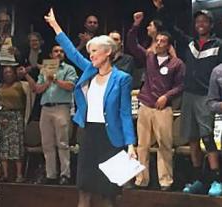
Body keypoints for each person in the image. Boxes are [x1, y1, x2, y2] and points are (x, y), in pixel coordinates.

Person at [45, 8, 136, 207]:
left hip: (111, 138)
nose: (91, 55)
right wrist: (54, 25)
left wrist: (130, 144)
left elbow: (125, 113)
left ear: (108, 52)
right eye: (90, 52)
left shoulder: (122, 79)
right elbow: (70, 51)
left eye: (95, 51)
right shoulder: (89, 71)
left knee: (107, 194)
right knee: (84, 189)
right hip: (89, 134)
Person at [154, 0, 222, 195]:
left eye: (204, 21)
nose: (200, 24)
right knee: (192, 138)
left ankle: (216, 180)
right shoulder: (190, 43)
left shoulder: (218, 45)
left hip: (207, 97)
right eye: (197, 21)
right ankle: (198, 180)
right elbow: (170, 29)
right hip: (189, 95)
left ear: (211, 24)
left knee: (207, 138)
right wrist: (161, 9)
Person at [127, 11, 185, 191]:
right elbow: (131, 44)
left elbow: (181, 86)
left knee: (165, 145)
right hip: (145, 106)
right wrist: (135, 25)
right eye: (157, 41)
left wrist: (166, 96)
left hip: (163, 108)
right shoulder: (148, 56)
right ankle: (141, 180)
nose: (158, 43)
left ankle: (165, 181)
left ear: (169, 46)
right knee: (142, 145)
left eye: (162, 42)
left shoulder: (177, 64)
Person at [34, 45, 77, 185]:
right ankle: (50, 174)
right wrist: (47, 81)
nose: (59, 53)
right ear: (51, 54)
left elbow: (71, 86)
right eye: (56, 51)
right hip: (46, 108)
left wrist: (56, 80)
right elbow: (37, 89)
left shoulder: (69, 69)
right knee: (47, 144)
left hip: (61, 107)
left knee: (63, 143)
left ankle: (65, 174)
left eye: (61, 51)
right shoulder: (44, 69)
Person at [0, 65, 35, 183]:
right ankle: (5, 174)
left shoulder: (21, 85)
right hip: (2, 118)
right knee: (3, 146)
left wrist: (25, 74)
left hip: (16, 117)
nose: (8, 74)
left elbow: (33, 88)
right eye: (5, 72)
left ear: (14, 74)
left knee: (16, 146)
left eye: (10, 72)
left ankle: (19, 175)